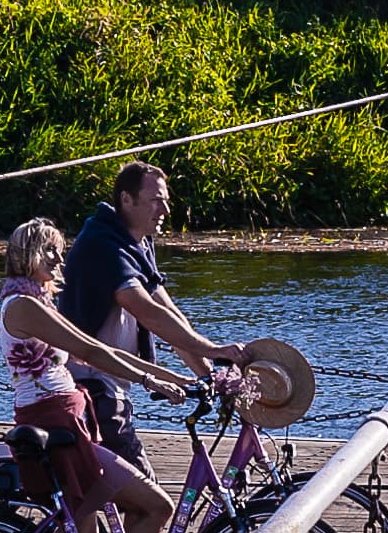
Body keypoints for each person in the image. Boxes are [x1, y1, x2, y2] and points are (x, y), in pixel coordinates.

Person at [0, 217, 196, 533]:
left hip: (70, 421)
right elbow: (90, 353)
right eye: (50, 250)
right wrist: (147, 381)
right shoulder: (22, 306)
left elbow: (97, 348)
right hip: (55, 424)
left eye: (60, 250)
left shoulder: (37, 301)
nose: (59, 259)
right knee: (157, 507)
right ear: (29, 255)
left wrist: (173, 376)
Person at [58, 161, 247, 475]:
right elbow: (147, 312)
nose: (165, 210)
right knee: (150, 502)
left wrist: (211, 376)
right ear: (126, 200)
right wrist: (215, 350)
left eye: (167, 201)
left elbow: (170, 316)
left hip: (113, 386)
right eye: (156, 201)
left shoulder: (137, 242)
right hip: (92, 388)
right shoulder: (103, 245)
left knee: (104, 499)